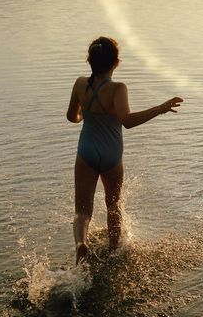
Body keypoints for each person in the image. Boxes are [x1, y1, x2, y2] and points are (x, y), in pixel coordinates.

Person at [66, 37, 183, 264]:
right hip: (111, 155)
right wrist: (160, 108)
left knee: (82, 211)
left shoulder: (80, 84)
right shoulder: (118, 88)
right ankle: (113, 252)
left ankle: (81, 244)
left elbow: (72, 117)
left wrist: (84, 115)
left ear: (89, 61)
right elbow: (127, 121)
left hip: (86, 152)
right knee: (113, 206)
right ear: (116, 63)